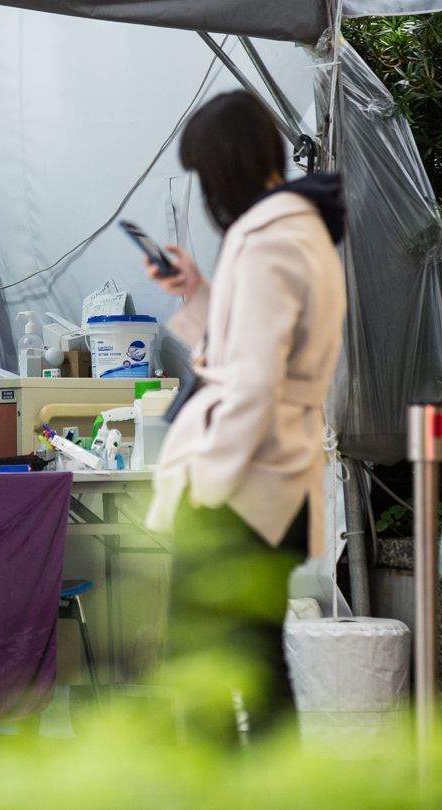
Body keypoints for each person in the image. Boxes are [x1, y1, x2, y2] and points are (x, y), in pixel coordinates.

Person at [144, 88, 347, 746]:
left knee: (209, 666)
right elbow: (247, 352)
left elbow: (253, 382)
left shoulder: (267, 241)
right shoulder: (294, 228)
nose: (207, 191)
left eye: (205, 174)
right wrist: (199, 293)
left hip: (242, 486)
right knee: (253, 665)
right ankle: (265, 786)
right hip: (272, 478)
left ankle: (223, 787)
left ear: (226, 166)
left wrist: (207, 484)